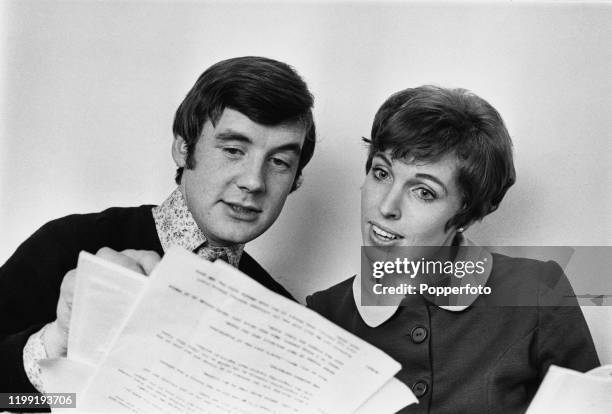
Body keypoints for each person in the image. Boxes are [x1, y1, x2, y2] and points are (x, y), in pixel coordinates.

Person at [0, 56, 316, 396]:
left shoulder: (284, 318)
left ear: (296, 180)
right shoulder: (69, 244)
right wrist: (57, 341)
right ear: (183, 148)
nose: (254, 181)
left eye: (280, 162)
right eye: (233, 149)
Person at [307, 86, 599, 413]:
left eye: (424, 192)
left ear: (466, 212)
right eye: (382, 172)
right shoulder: (324, 314)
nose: (387, 206)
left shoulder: (537, 291)